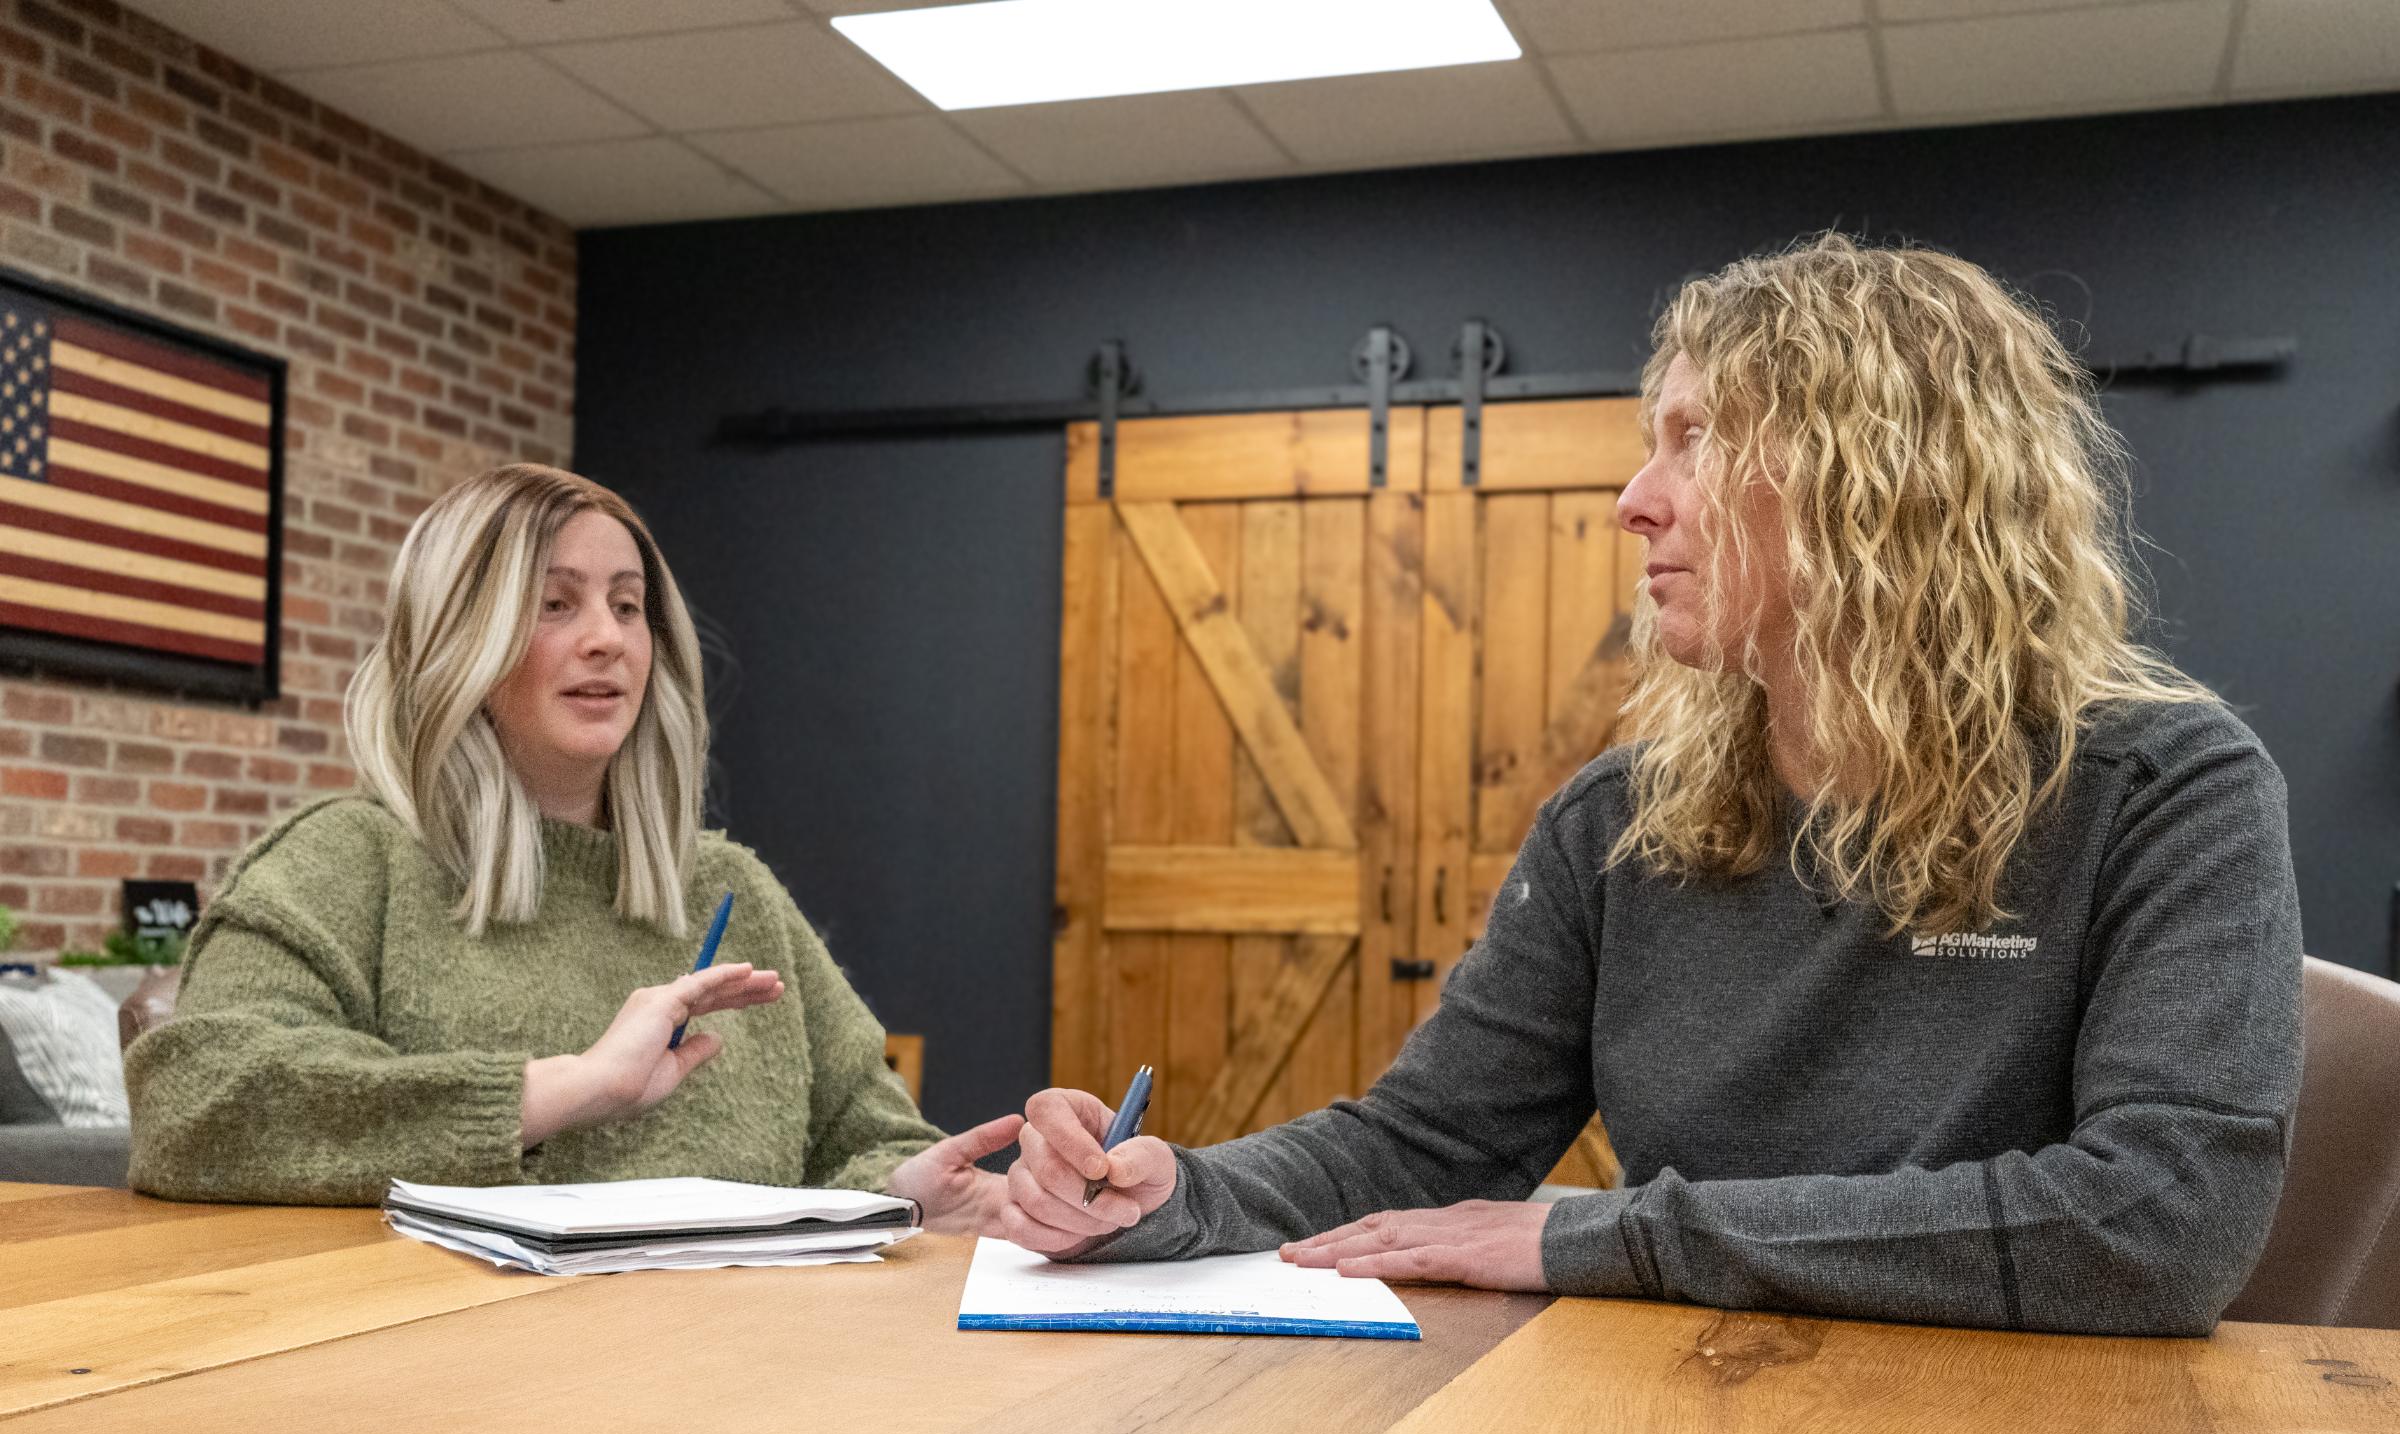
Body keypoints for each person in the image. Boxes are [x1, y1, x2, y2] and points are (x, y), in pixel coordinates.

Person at [997, 234, 2303, 1336]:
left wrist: (1600, 1237)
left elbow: (2159, 1225)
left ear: (1881, 481)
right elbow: (1428, 1145)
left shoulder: (2165, 791)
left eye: (1695, 440)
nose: (1634, 500)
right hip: (1685, 1415)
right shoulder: (1618, 822)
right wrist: (1178, 1196)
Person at [126, 463, 1019, 1228]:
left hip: (737, 1381)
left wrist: (906, 1193)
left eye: (628, 607)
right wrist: (572, 1087)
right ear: (455, 639)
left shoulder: (728, 889)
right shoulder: (349, 862)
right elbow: (201, 1098)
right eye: (555, 604)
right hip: (444, 1392)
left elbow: (869, 1140)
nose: (608, 639)